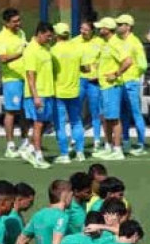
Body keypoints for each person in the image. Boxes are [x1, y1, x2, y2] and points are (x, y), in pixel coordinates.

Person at [93, 17, 132, 161]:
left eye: (101, 28)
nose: (98, 30)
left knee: (114, 119)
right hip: (104, 87)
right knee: (105, 118)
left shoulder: (116, 43)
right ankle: (109, 146)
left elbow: (128, 61)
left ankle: (117, 149)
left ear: (107, 30)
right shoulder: (106, 43)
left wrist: (116, 74)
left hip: (112, 87)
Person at [0, 7, 30, 158]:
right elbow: (3, 58)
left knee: (24, 111)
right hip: (11, 80)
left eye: (19, 20)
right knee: (11, 111)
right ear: (6, 23)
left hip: (25, 78)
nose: (18, 23)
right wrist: (21, 53)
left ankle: (24, 141)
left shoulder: (21, 33)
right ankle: (10, 145)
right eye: (15, 22)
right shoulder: (1, 37)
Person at [51, 22, 86, 163]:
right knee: (76, 122)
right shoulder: (77, 49)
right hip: (74, 91)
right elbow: (85, 68)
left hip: (58, 92)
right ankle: (80, 153)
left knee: (60, 124)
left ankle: (65, 154)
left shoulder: (52, 51)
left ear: (56, 35)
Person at [21, 22, 55, 169]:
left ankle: (30, 149)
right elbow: (30, 75)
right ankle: (38, 155)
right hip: (38, 93)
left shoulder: (46, 47)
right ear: (40, 34)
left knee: (45, 124)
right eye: (47, 36)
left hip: (48, 92)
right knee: (38, 124)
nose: (50, 39)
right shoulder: (31, 50)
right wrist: (36, 96)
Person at [116, 14, 148, 156]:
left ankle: (141, 143)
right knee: (123, 114)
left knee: (136, 114)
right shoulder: (118, 41)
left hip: (131, 83)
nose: (118, 26)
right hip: (120, 82)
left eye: (120, 24)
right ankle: (126, 141)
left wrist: (133, 76)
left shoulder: (135, 42)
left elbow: (143, 64)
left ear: (128, 26)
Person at [74, 19, 105, 152]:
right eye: (81, 29)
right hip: (80, 80)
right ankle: (76, 138)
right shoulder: (74, 42)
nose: (83, 32)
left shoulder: (100, 42)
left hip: (94, 82)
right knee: (77, 111)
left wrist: (98, 74)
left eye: (86, 30)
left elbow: (104, 61)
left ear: (92, 30)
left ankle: (97, 140)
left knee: (95, 112)